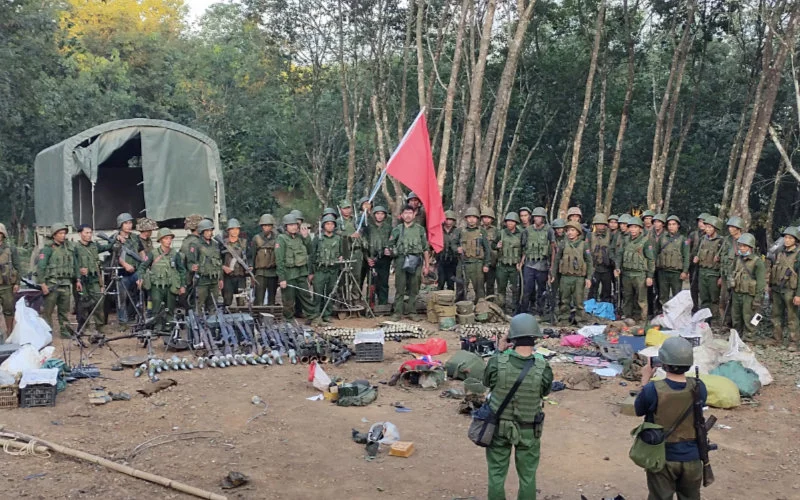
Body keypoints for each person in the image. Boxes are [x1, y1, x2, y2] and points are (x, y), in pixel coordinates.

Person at [483, 313, 553, 500]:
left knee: (496, 475)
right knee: (528, 476)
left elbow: (487, 381)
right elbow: (545, 391)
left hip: (499, 427)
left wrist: (499, 350)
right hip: (529, 428)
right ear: (535, 338)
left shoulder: (498, 361)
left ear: (511, 338)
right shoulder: (542, 366)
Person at [635, 337, 707, 500]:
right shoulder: (699, 386)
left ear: (663, 363)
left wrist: (645, 379)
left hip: (662, 458)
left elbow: (639, 409)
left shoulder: (653, 389)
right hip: (693, 458)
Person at [137, 228, 186, 331]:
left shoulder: (175, 254)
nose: (169, 241)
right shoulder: (153, 253)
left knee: (170, 308)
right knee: (156, 308)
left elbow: (182, 270)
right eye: (166, 238)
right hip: (156, 286)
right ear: (161, 240)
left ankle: (169, 326)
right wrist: (140, 278)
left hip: (170, 286)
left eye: (170, 238)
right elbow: (142, 267)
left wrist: (182, 285)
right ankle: (157, 326)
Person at [389, 205, 430, 320]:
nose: (407, 215)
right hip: (401, 260)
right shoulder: (397, 229)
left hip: (416, 260)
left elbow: (425, 248)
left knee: (414, 287)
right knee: (400, 287)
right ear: (401, 215)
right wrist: (392, 251)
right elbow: (390, 245)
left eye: (410, 213)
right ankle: (397, 312)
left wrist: (427, 266)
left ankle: (412, 312)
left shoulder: (420, 229)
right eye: (405, 213)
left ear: (414, 215)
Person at [37, 223, 78, 337]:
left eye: (64, 233)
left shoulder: (69, 248)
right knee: (48, 312)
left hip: (65, 284)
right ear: (54, 235)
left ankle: (65, 333)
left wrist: (78, 279)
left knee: (64, 312)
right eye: (60, 233)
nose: (63, 235)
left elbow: (75, 264)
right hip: (51, 284)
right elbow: (41, 267)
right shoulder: (47, 249)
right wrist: (42, 284)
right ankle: (47, 334)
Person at [73, 224, 113, 334]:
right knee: (83, 305)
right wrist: (78, 275)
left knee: (99, 302)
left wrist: (114, 240)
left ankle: (100, 327)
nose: (89, 235)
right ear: (80, 234)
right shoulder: (75, 248)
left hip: (95, 279)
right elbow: (73, 264)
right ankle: (84, 328)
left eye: (90, 233)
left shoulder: (94, 246)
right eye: (86, 233)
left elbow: (107, 247)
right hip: (82, 280)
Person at [275, 213, 316, 320]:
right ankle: (288, 319)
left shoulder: (301, 237)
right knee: (288, 299)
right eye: (290, 225)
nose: (293, 227)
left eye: (295, 225)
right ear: (285, 227)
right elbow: (279, 260)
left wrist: (306, 237)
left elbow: (310, 250)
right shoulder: (281, 238)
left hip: (301, 273)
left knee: (306, 296)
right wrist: (282, 278)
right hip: (289, 274)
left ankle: (312, 317)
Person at [551, 221, 593, 324]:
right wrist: (553, 274)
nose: (570, 232)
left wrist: (588, 277)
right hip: (565, 277)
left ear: (578, 232)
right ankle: (564, 319)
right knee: (564, 300)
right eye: (568, 230)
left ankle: (580, 320)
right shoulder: (563, 244)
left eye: (572, 230)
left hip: (579, 278)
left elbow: (589, 261)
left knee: (579, 301)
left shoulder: (584, 245)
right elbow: (557, 260)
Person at [615, 216, 655, 321]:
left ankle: (641, 319)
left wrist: (650, 276)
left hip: (640, 275)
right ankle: (627, 317)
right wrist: (617, 267)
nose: (633, 229)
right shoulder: (625, 240)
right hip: (626, 274)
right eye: (631, 227)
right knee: (627, 297)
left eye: (635, 227)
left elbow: (651, 260)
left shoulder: (645, 242)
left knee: (641, 299)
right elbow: (619, 254)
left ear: (640, 229)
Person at [729, 233, 765, 341]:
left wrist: (758, 298)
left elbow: (761, 282)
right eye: (740, 246)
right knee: (736, 316)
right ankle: (737, 336)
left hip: (750, 294)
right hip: (737, 292)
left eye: (745, 246)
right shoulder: (738, 259)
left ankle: (750, 337)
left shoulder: (757, 262)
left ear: (750, 247)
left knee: (751, 317)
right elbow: (732, 272)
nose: (742, 248)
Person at [769, 227, 800, 350]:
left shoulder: (798, 255)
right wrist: (770, 286)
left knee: (792, 317)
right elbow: (773, 270)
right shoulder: (779, 252)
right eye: (786, 237)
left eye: (790, 238)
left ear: (796, 240)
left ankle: (794, 341)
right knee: (776, 314)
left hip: (790, 290)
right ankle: (777, 338)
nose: (787, 240)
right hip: (777, 289)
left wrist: (798, 294)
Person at [519, 207, 555, 315]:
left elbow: (553, 249)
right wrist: (521, 262)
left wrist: (552, 266)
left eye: (540, 217)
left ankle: (540, 311)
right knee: (527, 289)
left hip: (543, 265)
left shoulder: (549, 230)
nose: (537, 219)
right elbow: (525, 248)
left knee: (542, 290)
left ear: (543, 218)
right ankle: (524, 311)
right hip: (529, 264)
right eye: (535, 217)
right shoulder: (527, 230)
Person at [311, 214, 343, 325]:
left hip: (333, 270)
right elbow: (312, 256)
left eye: (332, 224)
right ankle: (316, 315)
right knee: (318, 293)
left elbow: (343, 253)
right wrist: (311, 272)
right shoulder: (318, 239)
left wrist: (341, 258)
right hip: (320, 270)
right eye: (327, 224)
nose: (330, 226)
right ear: (324, 225)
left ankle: (327, 314)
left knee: (330, 293)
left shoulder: (338, 239)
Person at [187, 219, 224, 314]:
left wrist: (220, 279)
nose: (209, 233)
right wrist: (192, 267)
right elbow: (190, 262)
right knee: (199, 304)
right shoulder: (195, 244)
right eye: (207, 231)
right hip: (202, 280)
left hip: (214, 279)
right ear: (201, 232)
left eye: (210, 230)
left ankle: (212, 324)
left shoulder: (215, 244)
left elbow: (219, 262)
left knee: (213, 304)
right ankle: (198, 324)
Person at [694, 216, 724, 324]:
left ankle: (714, 318)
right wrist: (697, 258)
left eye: (710, 227)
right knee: (704, 297)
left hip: (714, 273)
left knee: (714, 298)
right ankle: (705, 319)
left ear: (715, 228)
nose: (707, 229)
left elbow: (724, 262)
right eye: (706, 227)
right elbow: (698, 252)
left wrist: (721, 276)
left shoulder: (721, 242)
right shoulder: (703, 240)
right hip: (703, 271)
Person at [457, 207, 490, 303]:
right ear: (466, 219)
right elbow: (453, 243)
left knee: (479, 287)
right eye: (469, 217)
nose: (471, 220)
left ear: (477, 219)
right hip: (464, 263)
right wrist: (457, 248)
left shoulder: (481, 232)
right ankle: (461, 308)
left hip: (477, 263)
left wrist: (486, 264)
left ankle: (480, 308)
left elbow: (487, 249)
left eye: (474, 217)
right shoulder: (460, 231)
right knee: (461, 287)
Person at [655, 216, 690, 306]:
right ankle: (664, 314)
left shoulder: (683, 239)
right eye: (669, 224)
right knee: (663, 296)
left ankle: (676, 316)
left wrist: (685, 271)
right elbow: (656, 253)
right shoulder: (662, 238)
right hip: (663, 271)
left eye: (674, 224)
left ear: (678, 226)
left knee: (677, 296)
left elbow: (686, 256)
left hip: (676, 273)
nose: (671, 226)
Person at [115, 213, 142, 323]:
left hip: (135, 271)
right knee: (121, 298)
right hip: (122, 273)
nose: (128, 225)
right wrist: (125, 265)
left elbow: (141, 253)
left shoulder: (135, 238)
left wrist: (142, 268)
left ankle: (132, 318)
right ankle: (122, 321)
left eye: (130, 223)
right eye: (126, 223)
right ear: (120, 224)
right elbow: (115, 255)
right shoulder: (115, 238)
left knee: (137, 295)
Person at [364, 205, 393, 307]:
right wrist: (367, 258)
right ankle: (371, 304)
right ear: (374, 215)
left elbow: (392, 242)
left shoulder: (389, 228)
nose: (380, 216)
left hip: (384, 259)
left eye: (382, 214)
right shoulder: (369, 228)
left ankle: (383, 304)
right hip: (372, 258)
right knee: (372, 283)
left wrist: (389, 250)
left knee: (384, 282)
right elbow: (364, 244)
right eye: (377, 214)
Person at [495, 212, 523, 312]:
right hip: (502, 265)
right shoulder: (501, 233)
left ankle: (515, 308)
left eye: (512, 221)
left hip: (515, 266)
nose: (510, 223)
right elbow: (493, 245)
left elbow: (524, 249)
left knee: (515, 289)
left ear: (516, 223)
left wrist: (521, 263)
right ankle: (501, 308)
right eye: (508, 221)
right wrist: (497, 246)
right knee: (501, 288)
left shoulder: (521, 234)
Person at [720, 216, 745, 325]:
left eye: (733, 227)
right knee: (724, 299)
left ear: (738, 228)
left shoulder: (745, 240)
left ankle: (736, 324)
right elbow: (722, 257)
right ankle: (726, 322)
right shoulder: (727, 240)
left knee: (736, 301)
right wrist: (721, 275)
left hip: (738, 275)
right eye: (729, 226)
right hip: (726, 274)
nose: (730, 229)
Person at [251, 214, 279, 306]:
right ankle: (257, 317)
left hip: (273, 272)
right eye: (264, 225)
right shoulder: (256, 238)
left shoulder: (278, 238)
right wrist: (253, 273)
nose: (266, 228)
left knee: (272, 298)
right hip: (260, 272)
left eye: (269, 225)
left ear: (272, 226)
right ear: (261, 226)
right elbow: (253, 255)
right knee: (259, 297)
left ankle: (270, 317)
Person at [338, 199, 364, 296]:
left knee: (357, 276)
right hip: (345, 251)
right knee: (344, 277)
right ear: (341, 209)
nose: (347, 210)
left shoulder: (357, 220)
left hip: (357, 251)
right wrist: (349, 235)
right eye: (345, 208)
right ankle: (343, 298)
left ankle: (355, 297)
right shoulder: (338, 222)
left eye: (349, 207)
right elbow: (337, 233)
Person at [221, 218, 248, 307]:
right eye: (232, 229)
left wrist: (250, 267)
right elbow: (217, 260)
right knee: (227, 301)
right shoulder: (223, 243)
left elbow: (250, 256)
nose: (235, 231)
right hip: (228, 277)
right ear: (228, 230)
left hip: (241, 277)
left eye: (237, 229)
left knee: (241, 302)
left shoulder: (243, 243)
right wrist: (223, 267)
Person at [0, 223, 21, 338]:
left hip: (7, 285)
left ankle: (9, 332)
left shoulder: (11, 249)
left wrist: (17, 283)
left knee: (9, 310)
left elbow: (18, 266)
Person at [588, 214, 614, 302]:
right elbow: (587, 251)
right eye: (598, 224)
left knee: (607, 289)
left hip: (607, 267)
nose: (600, 227)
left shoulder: (610, 236)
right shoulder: (590, 236)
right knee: (592, 289)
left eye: (602, 225)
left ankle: (605, 304)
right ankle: (591, 306)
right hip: (594, 267)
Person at [180, 214, 204, 307]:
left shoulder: (187, 240)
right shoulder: (195, 242)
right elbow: (193, 261)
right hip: (192, 276)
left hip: (187, 276)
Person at [688, 214, 709, 310]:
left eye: (703, 222)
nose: (701, 224)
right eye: (700, 221)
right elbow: (688, 249)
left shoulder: (711, 235)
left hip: (706, 266)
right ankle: (695, 306)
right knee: (693, 287)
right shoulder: (693, 235)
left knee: (705, 289)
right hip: (694, 266)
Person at [437, 210, 460, 292]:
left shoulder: (457, 231)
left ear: (454, 221)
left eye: (451, 219)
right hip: (441, 259)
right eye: (447, 219)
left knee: (451, 282)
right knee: (441, 281)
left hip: (453, 261)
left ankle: (450, 301)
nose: (448, 221)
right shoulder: (438, 231)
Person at [482, 208, 498, 298]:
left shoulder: (496, 231)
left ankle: (490, 303)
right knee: (479, 285)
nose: (486, 219)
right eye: (484, 217)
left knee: (490, 284)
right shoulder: (478, 229)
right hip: (480, 261)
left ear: (492, 219)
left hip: (491, 262)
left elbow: (498, 245)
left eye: (488, 217)